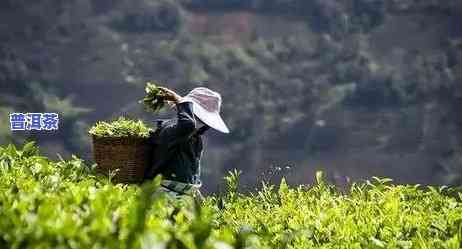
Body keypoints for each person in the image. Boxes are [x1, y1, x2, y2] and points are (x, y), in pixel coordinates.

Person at [144, 86, 230, 199]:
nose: (202, 123)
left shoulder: (196, 139)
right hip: (164, 196)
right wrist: (179, 100)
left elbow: (192, 178)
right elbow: (188, 125)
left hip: (185, 197)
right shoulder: (171, 129)